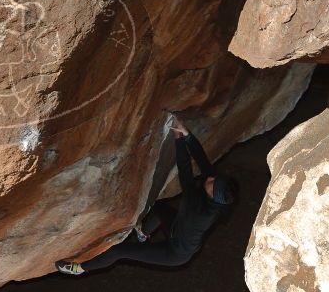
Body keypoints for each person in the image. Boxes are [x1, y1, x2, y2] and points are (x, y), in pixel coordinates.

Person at [56, 114, 237, 275]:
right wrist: (186, 133)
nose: (209, 179)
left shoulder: (197, 212)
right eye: (214, 179)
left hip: (174, 252)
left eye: (211, 184)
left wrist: (178, 139)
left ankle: (80, 268)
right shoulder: (216, 191)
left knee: (119, 251)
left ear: (212, 196)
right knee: (158, 208)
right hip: (180, 227)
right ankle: (142, 233)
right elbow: (203, 160)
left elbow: (185, 171)